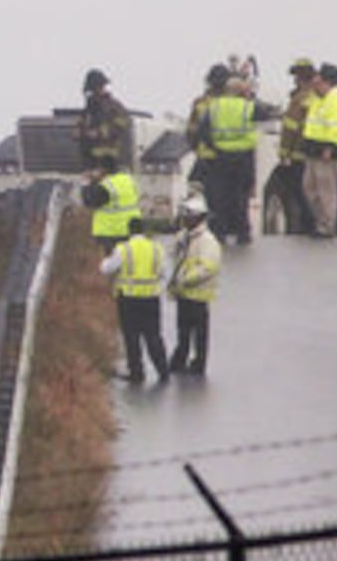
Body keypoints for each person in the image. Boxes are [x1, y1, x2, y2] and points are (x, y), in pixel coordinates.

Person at [99, 217, 171, 384]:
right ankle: (163, 370)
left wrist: (105, 259)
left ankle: (136, 372)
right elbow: (165, 272)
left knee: (132, 337)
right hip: (151, 298)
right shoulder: (156, 248)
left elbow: (106, 268)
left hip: (129, 299)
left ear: (129, 231)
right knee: (154, 336)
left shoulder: (123, 249)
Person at [200, 70, 257, 244]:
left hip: (221, 157)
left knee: (221, 196)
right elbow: (267, 115)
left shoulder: (214, 106)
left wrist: (214, 146)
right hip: (243, 157)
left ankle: (220, 233)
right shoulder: (248, 107)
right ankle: (243, 233)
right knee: (241, 196)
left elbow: (202, 130)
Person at [168, 193, 221, 376]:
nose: (184, 219)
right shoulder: (185, 237)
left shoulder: (208, 241)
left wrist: (185, 279)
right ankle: (179, 360)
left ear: (198, 217)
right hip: (184, 294)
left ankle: (199, 364)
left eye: (187, 216)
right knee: (182, 331)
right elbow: (174, 255)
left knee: (199, 334)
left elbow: (207, 268)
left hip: (198, 294)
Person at [301, 62, 337, 237]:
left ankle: (327, 226)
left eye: (318, 78)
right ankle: (321, 222)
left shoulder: (336, 98)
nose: (314, 81)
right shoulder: (318, 98)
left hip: (327, 152)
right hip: (313, 150)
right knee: (310, 188)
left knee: (326, 191)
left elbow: (336, 126)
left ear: (326, 81)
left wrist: (329, 147)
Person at [274, 58, 318, 234]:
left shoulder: (299, 100)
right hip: (315, 153)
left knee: (298, 193)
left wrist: (284, 153)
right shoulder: (321, 97)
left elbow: (290, 128)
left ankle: (305, 225)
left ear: (299, 78)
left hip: (298, 156)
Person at [76, 68, 131, 173]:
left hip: (109, 160)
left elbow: (123, 123)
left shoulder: (114, 106)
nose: (93, 93)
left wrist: (100, 132)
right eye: (91, 90)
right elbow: (81, 123)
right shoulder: (88, 109)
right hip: (90, 161)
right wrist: (78, 131)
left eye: (96, 89)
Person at [82, 156, 142, 252]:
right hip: (130, 229)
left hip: (110, 232)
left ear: (103, 169)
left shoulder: (107, 185)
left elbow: (89, 202)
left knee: (110, 264)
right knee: (127, 260)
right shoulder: (128, 179)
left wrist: (86, 184)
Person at [185, 63, 230, 188]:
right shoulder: (234, 105)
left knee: (195, 188)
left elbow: (191, 134)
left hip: (205, 161)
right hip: (228, 160)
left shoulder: (200, 103)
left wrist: (198, 148)